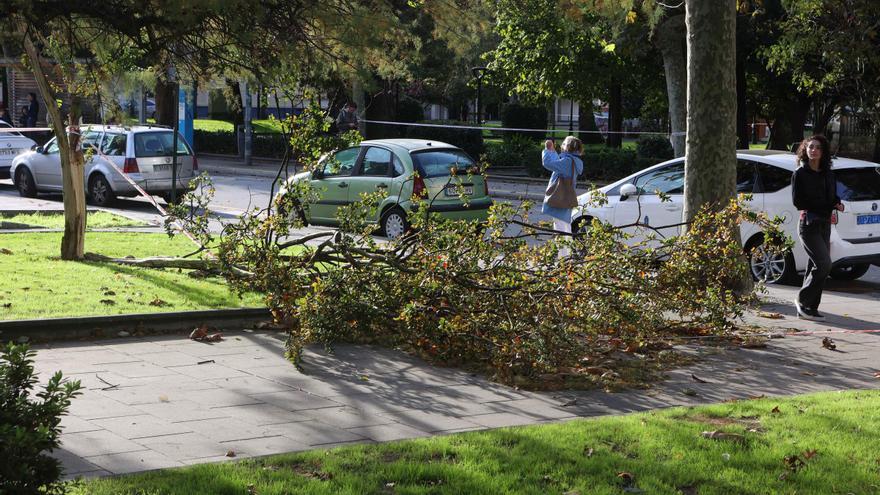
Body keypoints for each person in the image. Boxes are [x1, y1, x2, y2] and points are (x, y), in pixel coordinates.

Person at [791, 134, 843, 321]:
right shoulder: (800, 174)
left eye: (818, 147)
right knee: (824, 264)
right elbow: (798, 202)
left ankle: (810, 308)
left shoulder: (828, 173)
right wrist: (825, 205)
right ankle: (802, 300)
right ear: (805, 150)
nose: (813, 150)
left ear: (823, 152)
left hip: (825, 224)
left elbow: (832, 196)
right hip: (808, 224)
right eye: (810, 147)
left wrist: (837, 203)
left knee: (815, 265)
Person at [542, 135, 584, 235]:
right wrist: (552, 151)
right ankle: (564, 244)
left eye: (564, 143)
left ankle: (564, 245)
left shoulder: (567, 161)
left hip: (560, 198)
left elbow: (548, 163)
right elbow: (557, 163)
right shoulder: (572, 160)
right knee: (563, 225)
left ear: (567, 147)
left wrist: (547, 150)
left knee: (561, 229)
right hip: (565, 198)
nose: (561, 145)